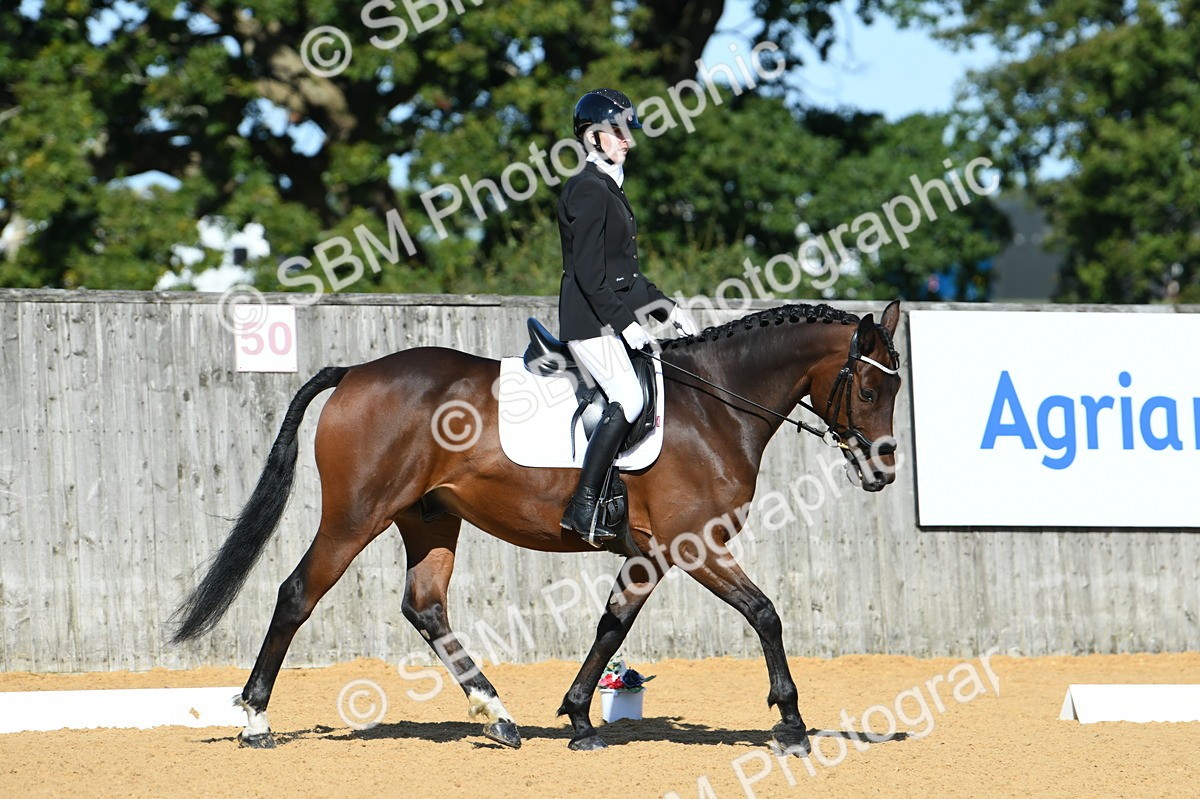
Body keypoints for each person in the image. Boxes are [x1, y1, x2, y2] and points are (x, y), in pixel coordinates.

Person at [556, 88, 701, 546]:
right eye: (619, 133)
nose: (628, 142)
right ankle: (582, 508)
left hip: (607, 317)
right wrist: (631, 327)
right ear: (595, 137)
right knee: (629, 397)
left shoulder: (609, 191)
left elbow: (626, 277)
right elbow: (590, 276)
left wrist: (670, 310)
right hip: (588, 323)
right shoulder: (587, 189)